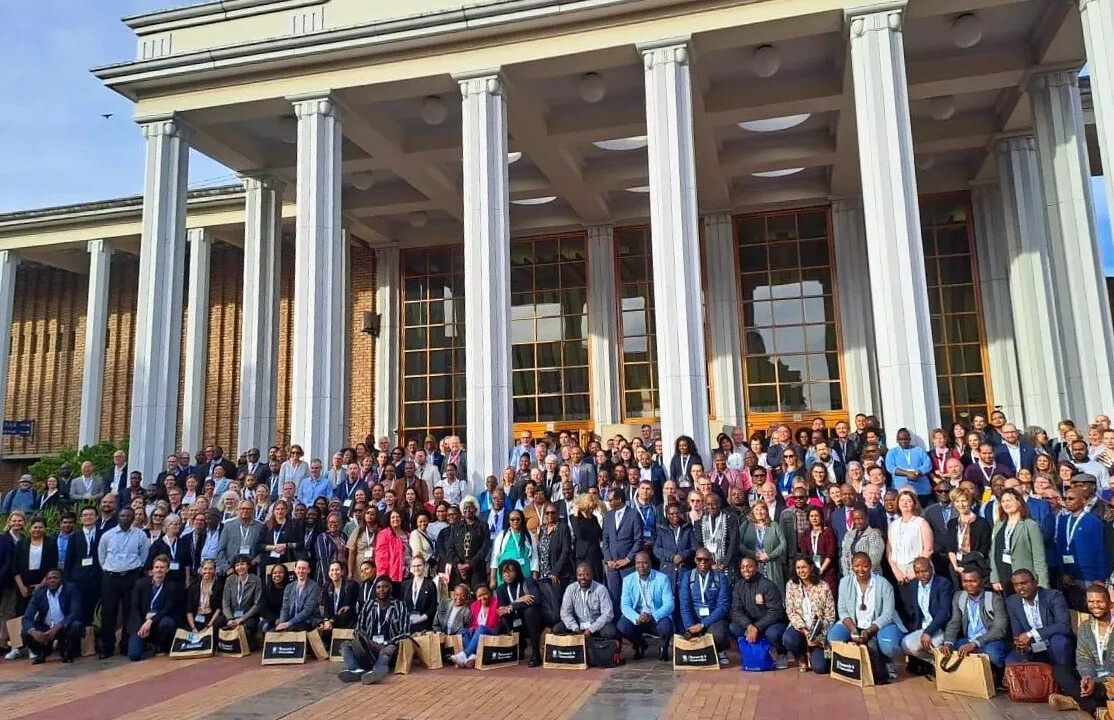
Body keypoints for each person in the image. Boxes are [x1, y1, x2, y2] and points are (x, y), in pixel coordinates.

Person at [830, 552, 906, 682]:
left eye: (865, 566)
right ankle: (854, 661)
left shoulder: (884, 584)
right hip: (854, 623)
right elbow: (842, 611)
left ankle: (887, 662)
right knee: (834, 638)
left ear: (870, 566)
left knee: (889, 645)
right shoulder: (844, 582)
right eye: (856, 566)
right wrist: (853, 630)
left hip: (879, 624)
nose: (860, 570)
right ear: (851, 566)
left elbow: (888, 614)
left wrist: (870, 631)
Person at [1048, 583, 1114, 715]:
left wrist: (1097, 682)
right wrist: (1087, 677)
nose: (1095, 605)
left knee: (1106, 687)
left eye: (1100, 602)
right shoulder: (1085, 627)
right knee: (1060, 670)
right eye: (1091, 602)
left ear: (1110, 605)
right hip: (1093, 677)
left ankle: (1078, 702)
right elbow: (1083, 658)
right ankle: (1095, 706)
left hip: (1110, 680)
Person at [97, 507, 149, 659]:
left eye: (127, 516)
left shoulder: (140, 535)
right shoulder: (108, 535)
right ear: (118, 517)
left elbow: (144, 556)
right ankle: (107, 647)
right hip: (111, 577)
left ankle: (126, 645)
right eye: (122, 516)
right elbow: (101, 556)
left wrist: (134, 569)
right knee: (108, 612)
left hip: (131, 577)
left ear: (133, 519)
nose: (124, 518)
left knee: (130, 611)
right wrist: (110, 569)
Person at [339, 575, 411, 684]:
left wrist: (386, 643)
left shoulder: (400, 606)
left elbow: (405, 632)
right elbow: (358, 629)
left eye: (385, 587)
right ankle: (355, 670)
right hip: (370, 645)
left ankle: (377, 671)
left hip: (390, 645)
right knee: (345, 646)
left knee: (387, 650)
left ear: (391, 588)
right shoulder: (368, 605)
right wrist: (371, 644)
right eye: (378, 587)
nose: (381, 590)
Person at [941, 566, 1009, 675]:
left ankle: (1000, 676)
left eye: (973, 581)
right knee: (948, 650)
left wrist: (976, 643)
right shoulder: (959, 597)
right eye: (965, 581)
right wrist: (948, 642)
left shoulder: (994, 599)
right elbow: (954, 622)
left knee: (993, 654)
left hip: (989, 640)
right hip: (968, 640)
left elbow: (999, 629)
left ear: (981, 582)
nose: (969, 585)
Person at [1005, 568, 1074, 666]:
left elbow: (1064, 626)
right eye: (1016, 585)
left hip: (1052, 641)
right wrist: (1021, 643)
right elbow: (1018, 632)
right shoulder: (1012, 602)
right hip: (1033, 646)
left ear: (1035, 583)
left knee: (1060, 642)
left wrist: (1031, 634)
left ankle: (1062, 673)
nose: (1020, 587)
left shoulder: (1054, 596)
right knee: (1011, 661)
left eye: (1024, 583)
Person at [730, 555, 789, 668]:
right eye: (743, 567)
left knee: (774, 634)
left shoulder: (768, 585)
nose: (746, 569)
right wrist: (748, 626)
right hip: (750, 624)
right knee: (733, 627)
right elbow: (736, 610)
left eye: (749, 566)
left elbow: (775, 611)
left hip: (770, 624)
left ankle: (782, 653)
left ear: (756, 567)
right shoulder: (738, 586)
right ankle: (752, 652)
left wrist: (757, 627)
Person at [887, 489, 933, 627]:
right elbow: (889, 550)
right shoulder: (893, 525)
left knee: (918, 605)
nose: (905, 503)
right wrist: (896, 570)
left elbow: (928, 549)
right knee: (906, 607)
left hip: (918, 570)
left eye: (908, 500)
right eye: (902, 500)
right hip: (899, 571)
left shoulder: (921, 523)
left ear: (914, 503)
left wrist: (915, 572)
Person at [1057, 485, 1108, 610]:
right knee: (1074, 611)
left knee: (1090, 609)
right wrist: (1064, 572)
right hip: (1069, 575)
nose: (1067, 501)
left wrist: (1100, 578)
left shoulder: (1093, 521)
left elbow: (1100, 550)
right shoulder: (1063, 520)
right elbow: (1060, 547)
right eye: (1065, 498)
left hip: (1089, 576)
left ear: (1084, 501)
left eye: (1071, 498)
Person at [899, 557, 953, 674]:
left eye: (924, 571)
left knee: (934, 644)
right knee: (906, 644)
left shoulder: (943, 584)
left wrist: (929, 631)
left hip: (940, 628)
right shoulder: (914, 585)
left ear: (931, 569)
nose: (921, 575)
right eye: (918, 572)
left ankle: (947, 666)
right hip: (923, 628)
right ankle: (935, 662)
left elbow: (945, 612)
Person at [679, 549, 732, 666]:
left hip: (713, 618)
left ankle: (720, 650)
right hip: (694, 618)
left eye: (706, 560)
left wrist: (703, 624)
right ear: (695, 560)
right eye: (699, 559)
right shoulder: (688, 576)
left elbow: (723, 606)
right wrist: (690, 626)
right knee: (688, 636)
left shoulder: (720, 577)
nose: (703, 562)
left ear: (711, 561)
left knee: (718, 634)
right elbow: (685, 604)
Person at [784, 555, 836, 674]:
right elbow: (790, 611)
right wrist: (805, 631)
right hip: (800, 629)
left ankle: (813, 652)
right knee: (788, 639)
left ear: (811, 567)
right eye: (798, 568)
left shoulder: (823, 586)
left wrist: (817, 637)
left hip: (819, 632)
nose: (801, 571)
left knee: (820, 668)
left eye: (804, 567)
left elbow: (830, 616)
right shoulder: (791, 585)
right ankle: (801, 656)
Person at [618, 551, 674, 661]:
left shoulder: (662, 578)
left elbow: (669, 604)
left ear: (650, 564)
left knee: (667, 627)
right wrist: (636, 617)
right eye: (638, 563)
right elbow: (625, 605)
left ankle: (663, 647)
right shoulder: (628, 580)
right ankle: (639, 644)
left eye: (645, 563)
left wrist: (652, 616)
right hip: (638, 618)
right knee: (622, 626)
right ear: (635, 565)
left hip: (656, 616)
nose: (641, 566)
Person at [989, 488, 1048, 592]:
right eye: (1003, 501)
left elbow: (1039, 557)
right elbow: (993, 553)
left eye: (1009, 500)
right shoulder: (999, 525)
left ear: (1019, 502)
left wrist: (1043, 585)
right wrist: (994, 578)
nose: (1006, 504)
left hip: (1024, 579)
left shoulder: (1030, 525)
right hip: (1004, 577)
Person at [20, 569, 83, 664]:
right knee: (25, 631)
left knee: (76, 625)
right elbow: (27, 617)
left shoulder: (70, 589)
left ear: (61, 579)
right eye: (49, 578)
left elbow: (76, 612)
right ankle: (41, 652)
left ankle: (67, 652)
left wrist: (59, 626)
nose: (52, 580)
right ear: (45, 580)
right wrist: (33, 632)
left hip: (63, 626)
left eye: (55, 578)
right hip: (46, 627)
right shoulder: (39, 593)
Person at [127, 555, 182, 661]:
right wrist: (142, 625)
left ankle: (159, 644)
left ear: (167, 569)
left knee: (167, 623)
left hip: (159, 620)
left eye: (162, 567)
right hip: (141, 622)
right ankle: (146, 644)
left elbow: (166, 609)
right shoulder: (140, 584)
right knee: (134, 655)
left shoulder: (172, 586)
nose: (159, 570)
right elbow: (135, 606)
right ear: (152, 569)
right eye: (157, 567)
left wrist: (151, 620)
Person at [493, 558, 545, 666]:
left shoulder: (528, 582)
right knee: (504, 617)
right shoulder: (501, 589)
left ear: (517, 572)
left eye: (511, 571)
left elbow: (535, 600)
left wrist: (511, 606)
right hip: (515, 622)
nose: (507, 574)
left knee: (530, 612)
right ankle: (517, 646)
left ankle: (536, 654)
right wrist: (518, 601)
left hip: (533, 622)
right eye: (504, 572)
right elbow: (503, 610)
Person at [603, 489, 643, 610]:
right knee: (614, 598)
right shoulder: (608, 516)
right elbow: (605, 540)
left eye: (611, 500)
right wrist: (608, 560)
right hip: (612, 566)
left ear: (619, 499)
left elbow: (638, 540)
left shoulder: (633, 515)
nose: (609, 503)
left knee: (630, 598)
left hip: (628, 566)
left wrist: (627, 559)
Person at [555, 563, 618, 639]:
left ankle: (597, 644)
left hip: (596, 625)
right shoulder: (570, 589)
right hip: (577, 625)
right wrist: (575, 627)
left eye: (586, 575)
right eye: (580, 575)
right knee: (557, 629)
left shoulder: (601, 589)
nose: (583, 578)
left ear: (592, 575)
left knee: (610, 632)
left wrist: (591, 629)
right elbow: (565, 613)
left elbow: (608, 614)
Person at [63, 506, 102, 626]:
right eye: (85, 515)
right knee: (78, 609)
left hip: (97, 578)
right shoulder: (74, 536)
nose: (88, 517)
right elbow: (69, 560)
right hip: (78, 579)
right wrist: (68, 580)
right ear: (80, 519)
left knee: (94, 611)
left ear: (96, 517)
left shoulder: (103, 535)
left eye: (91, 514)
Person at [14, 517, 59, 616]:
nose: (37, 529)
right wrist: (21, 587)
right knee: (23, 613)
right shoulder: (21, 544)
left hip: (44, 581)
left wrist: (41, 585)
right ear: (30, 528)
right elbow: (15, 568)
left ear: (45, 529)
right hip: (24, 583)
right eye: (35, 527)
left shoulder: (51, 543)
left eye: (40, 527)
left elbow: (53, 566)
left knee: (41, 613)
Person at [447, 498, 490, 590]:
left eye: (470, 507)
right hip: (459, 569)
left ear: (475, 509)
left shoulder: (483, 526)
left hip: (477, 568)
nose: (468, 510)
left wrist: (470, 564)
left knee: (477, 593)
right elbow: (450, 548)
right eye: (465, 508)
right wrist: (458, 564)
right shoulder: (456, 527)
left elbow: (485, 547)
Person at [740, 501, 785, 589]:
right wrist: (753, 554)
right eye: (756, 509)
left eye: (762, 509)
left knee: (773, 590)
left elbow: (783, 544)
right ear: (752, 511)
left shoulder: (774, 525)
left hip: (772, 564)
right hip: (752, 564)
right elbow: (739, 543)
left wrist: (770, 556)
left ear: (766, 511)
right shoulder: (746, 525)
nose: (759, 512)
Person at [490, 509, 538, 587]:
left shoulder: (529, 536)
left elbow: (535, 558)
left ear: (522, 520)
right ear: (509, 521)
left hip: (524, 571)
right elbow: (495, 557)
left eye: (517, 519)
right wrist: (492, 579)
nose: (515, 521)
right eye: (512, 519)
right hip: (506, 573)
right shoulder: (502, 535)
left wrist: (534, 578)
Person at [885, 429, 934, 504]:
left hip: (922, 490)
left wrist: (917, 472)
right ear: (897, 440)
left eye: (906, 439)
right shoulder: (892, 452)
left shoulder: (919, 450)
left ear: (910, 439)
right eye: (901, 439)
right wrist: (907, 473)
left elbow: (928, 465)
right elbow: (890, 468)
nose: (903, 441)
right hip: (901, 490)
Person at [456, 584, 500, 668]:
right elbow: (473, 624)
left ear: (490, 593)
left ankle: (465, 654)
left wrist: (478, 629)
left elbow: (495, 623)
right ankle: (473, 656)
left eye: (485, 594)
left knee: (481, 628)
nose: (483, 598)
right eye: (479, 596)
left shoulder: (496, 602)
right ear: (476, 597)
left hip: (492, 631)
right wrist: (471, 629)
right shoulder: (474, 605)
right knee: (463, 631)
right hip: (478, 633)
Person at [798, 507, 837, 599]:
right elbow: (804, 554)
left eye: (816, 516)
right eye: (811, 516)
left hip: (828, 572)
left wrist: (821, 570)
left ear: (821, 517)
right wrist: (811, 570)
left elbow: (831, 553)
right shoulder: (806, 534)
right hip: (811, 572)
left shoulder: (828, 532)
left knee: (829, 597)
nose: (814, 518)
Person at [217, 500, 265, 575]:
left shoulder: (260, 527)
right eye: (243, 508)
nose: (245, 511)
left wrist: (256, 560)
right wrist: (226, 568)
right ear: (238, 510)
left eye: (248, 509)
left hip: (252, 567)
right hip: (232, 568)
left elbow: (263, 547)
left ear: (253, 511)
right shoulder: (228, 526)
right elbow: (221, 549)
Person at [653, 504, 696, 586]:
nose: (675, 516)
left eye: (677, 513)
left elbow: (694, 548)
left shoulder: (687, 529)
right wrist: (672, 556)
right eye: (672, 514)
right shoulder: (662, 530)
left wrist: (683, 555)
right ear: (667, 515)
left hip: (684, 569)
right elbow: (656, 549)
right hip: (667, 570)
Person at [276, 558, 321, 631]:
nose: (301, 571)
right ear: (295, 569)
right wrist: (282, 623)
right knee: (273, 631)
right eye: (299, 568)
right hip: (290, 621)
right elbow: (285, 608)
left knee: (291, 629)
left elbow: (307, 611)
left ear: (309, 570)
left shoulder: (314, 586)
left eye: (304, 568)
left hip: (307, 621)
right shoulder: (289, 587)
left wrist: (289, 623)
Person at [840, 507, 884, 576]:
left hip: (871, 576)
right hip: (851, 576)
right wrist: (848, 575)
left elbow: (874, 559)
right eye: (855, 519)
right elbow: (845, 557)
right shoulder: (849, 535)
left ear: (867, 518)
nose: (858, 522)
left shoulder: (874, 534)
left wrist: (860, 574)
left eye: (860, 518)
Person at [321, 560, 359, 637]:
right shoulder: (327, 586)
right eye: (332, 570)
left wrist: (331, 621)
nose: (334, 572)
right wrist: (326, 620)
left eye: (337, 570)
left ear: (342, 572)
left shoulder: (350, 586)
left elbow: (344, 608)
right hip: (331, 619)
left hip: (345, 619)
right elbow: (326, 606)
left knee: (344, 615)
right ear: (328, 573)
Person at [400, 557, 438, 634]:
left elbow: (432, 608)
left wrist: (417, 620)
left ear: (424, 566)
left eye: (419, 565)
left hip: (424, 627)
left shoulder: (430, 585)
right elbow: (401, 605)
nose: (416, 568)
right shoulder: (405, 585)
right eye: (414, 566)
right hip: (407, 626)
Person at [185, 558, 224, 633]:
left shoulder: (219, 586)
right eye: (205, 569)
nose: (207, 571)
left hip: (211, 619)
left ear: (214, 570)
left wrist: (208, 626)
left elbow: (219, 608)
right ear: (201, 570)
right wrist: (193, 627)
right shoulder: (193, 586)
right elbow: (189, 610)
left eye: (210, 569)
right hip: (195, 619)